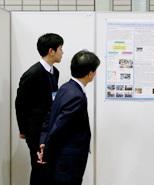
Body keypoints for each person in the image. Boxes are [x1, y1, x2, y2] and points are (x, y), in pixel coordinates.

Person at [37, 50, 100, 184]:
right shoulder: (76, 96)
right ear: (90, 74)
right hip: (67, 162)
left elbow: (50, 115)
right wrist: (46, 153)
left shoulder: (65, 88)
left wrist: (43, 141)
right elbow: (58, 127)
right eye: (95, 71)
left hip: (62, 159)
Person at [15, 33, 64, 184]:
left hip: (49, 129)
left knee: (48, 168)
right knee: (39, 168)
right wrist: (23, 130)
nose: (62, 52)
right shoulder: (32, 74)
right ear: (51, 51)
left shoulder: (55, 72)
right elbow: (20, 103)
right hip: (36, 131)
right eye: (61, 49)